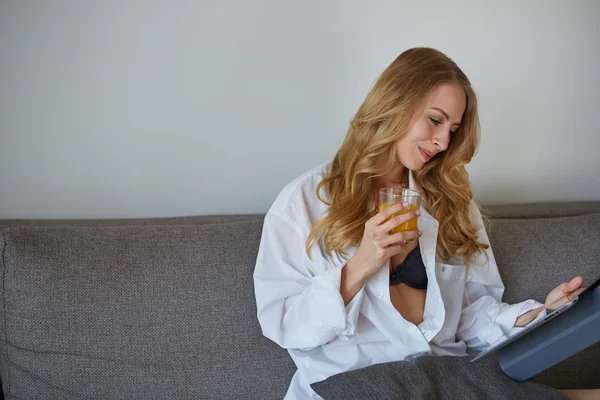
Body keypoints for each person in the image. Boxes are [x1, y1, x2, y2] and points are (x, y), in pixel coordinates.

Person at [253, 47, 598, 400]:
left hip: (442, 380)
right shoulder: (306, 202)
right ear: (394, 104)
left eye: (452, 129)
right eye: (435, 120)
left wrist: (543, 314)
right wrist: (359, 267)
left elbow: (472, 317)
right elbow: (284, 325)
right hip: (352, 385)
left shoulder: (452, 202)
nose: (443, 142)